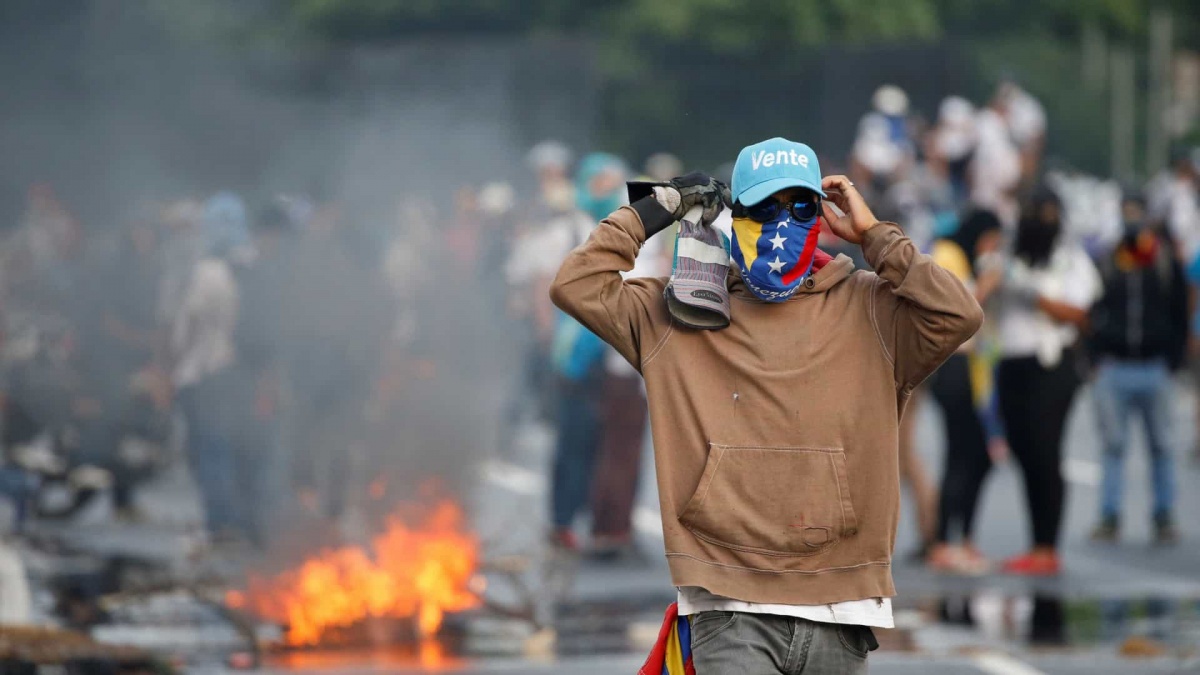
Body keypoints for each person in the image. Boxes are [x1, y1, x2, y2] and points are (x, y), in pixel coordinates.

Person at [552, 137, 982, 672]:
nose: (783, 222)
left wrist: (875, 235)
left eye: (800, 207)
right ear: (736, 216)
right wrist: (655, 210)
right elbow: (576, 284)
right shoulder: (681, 310)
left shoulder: (872, 309)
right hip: (729, 603)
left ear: (821, 215)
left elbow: (959, 314)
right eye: (764, 208)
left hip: (841, 607)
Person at [982, 188, 1101, 575]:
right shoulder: (1009, 256)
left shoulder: (1070, 260)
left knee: (1046, 451)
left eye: (1046, 215)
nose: (1038, 223)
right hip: (1011, 363)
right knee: (1022, 449)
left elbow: (1079, 314)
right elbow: (980, 295)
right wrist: (994, 273)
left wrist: (1034, 296)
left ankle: (1047, 547)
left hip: (1052, 365)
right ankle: (1036, 544)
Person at [1087, 192, 1187, 544]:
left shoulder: (1162, 258)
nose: (1131, 219)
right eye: (1126, 212)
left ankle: (1164, 514)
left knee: (1162, 446)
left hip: (1155, 366)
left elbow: (1180, 311)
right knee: (1113, 446)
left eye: (1136, 213)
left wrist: (1174, 360)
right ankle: (1109, 515)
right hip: (1115, 366)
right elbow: (1092, 309)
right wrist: (1094, 359)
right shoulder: (1110, 259)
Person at [925, 209, 1005, 575]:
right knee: (961, 453)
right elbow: (958, 306)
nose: (992, 248)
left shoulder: (962, 256)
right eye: (990, 239)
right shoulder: (947, 254)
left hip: (972, 368)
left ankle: (964, 539)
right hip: (952, 365)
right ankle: (944, 542)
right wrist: (987, 283)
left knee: (978, 455)